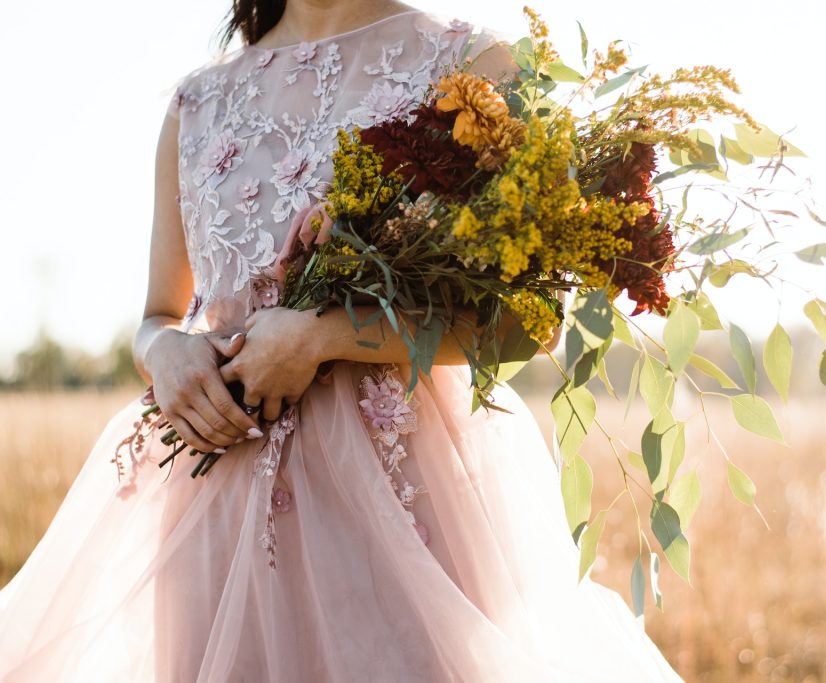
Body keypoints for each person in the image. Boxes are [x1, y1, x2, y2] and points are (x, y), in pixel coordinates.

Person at [0, 1, 685, 680]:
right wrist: (165, 353)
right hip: (217, 513)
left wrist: (324, 337)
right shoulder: (196, 104)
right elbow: (156, 314)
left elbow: (532, 319)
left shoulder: (475, 68)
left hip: (399, 505)